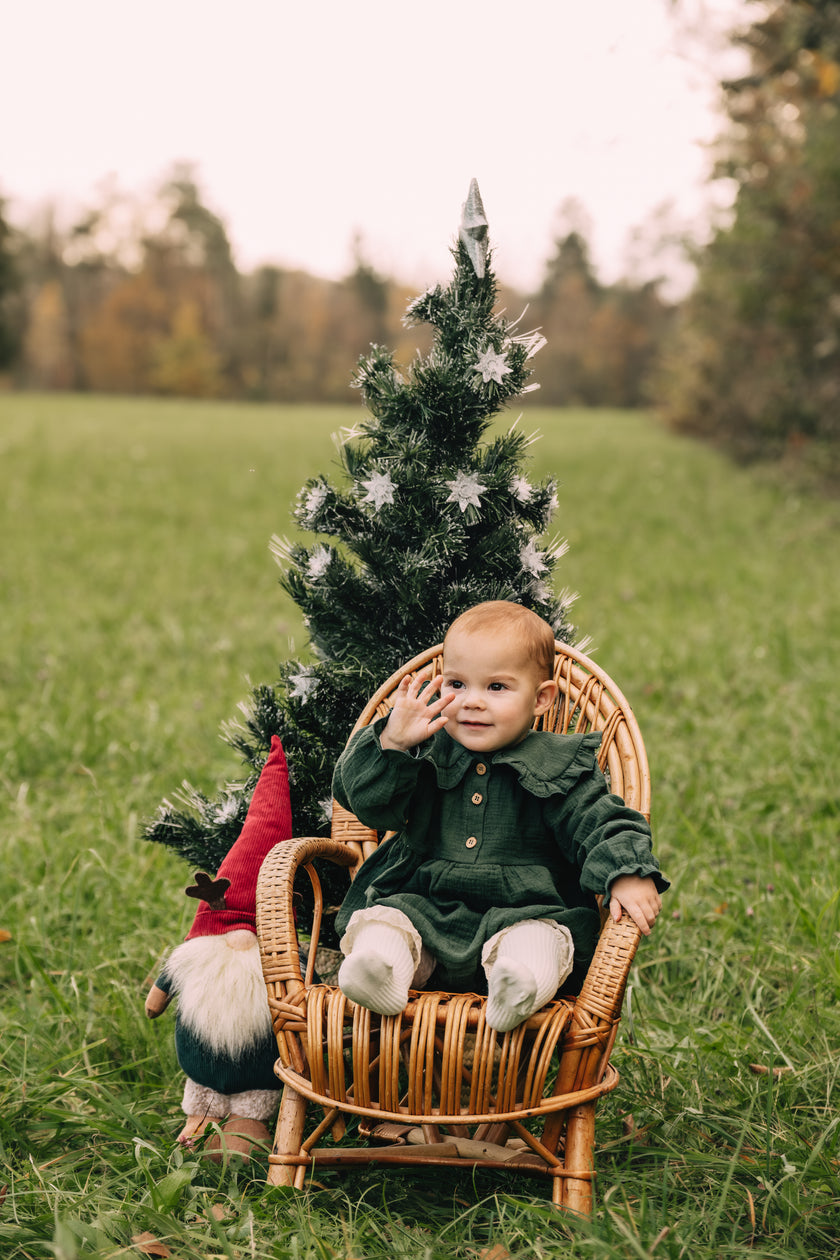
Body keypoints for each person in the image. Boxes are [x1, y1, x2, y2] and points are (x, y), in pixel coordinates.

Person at [333, 601, 667, 1032]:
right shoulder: (427, 751)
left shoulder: (557, 764)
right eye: (457, 683)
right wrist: (395, 743)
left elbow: (600, 822)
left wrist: (626, 870)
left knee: (543, 939)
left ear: (542, 698)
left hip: (523, 911)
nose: (472, 702)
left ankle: (518, 989)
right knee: (386, 923)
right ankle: (381, 975)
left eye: (496, 688)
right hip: (424, 905)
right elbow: (364, 801)